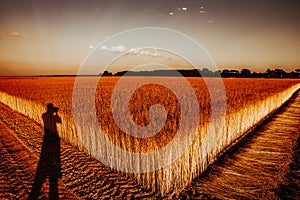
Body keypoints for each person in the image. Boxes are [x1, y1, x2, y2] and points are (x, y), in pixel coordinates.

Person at [29, 103, 62, 200]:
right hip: (52, 136)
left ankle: (52, 164)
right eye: (52, 108)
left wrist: (55, 114)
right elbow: (58, 121)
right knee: (54, 153)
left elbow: (59, 121)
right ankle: (54, 167)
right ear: (49, 109)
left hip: (50, 136)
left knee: (51, 152)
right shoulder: (47, 116)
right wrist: (55, 113)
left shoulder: (46, 115)